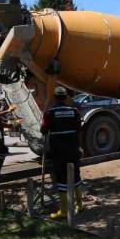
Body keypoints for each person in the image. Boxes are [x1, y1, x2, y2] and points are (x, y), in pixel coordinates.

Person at [41, 86, 83, 219]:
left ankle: (64, 210)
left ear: (54, 97)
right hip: (73, 148)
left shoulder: (50, 113)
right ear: (66, 97)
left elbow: (43, 130)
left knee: (61, 178)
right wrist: (80, 147)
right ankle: (79, 205)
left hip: (58, 150)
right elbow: (79, 129)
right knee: (76, 175)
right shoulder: (74, 111)